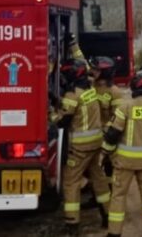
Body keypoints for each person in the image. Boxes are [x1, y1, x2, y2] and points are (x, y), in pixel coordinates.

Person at [101, 69, 142, 237]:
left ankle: (114, 233)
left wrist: (105, 153)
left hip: (125, 161)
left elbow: (113, 134)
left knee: (118, 196)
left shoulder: (126, 106)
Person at [55, 58, 111, 233]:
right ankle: (108, 216)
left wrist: (50, 115)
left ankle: (72, 224)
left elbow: (62, 121)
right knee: (99, 180)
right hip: (95, 144)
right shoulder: (90, 89)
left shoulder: (73, 95)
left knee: (71, 183)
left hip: (80, 148)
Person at [91, 56, 129, 128]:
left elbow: (117, 117)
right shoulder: (89, 86)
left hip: (102, 134)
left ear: (105, 72)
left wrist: (107, 130)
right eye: (93, 69)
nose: (93, 71)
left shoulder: (115, 92)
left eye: (96, 70)